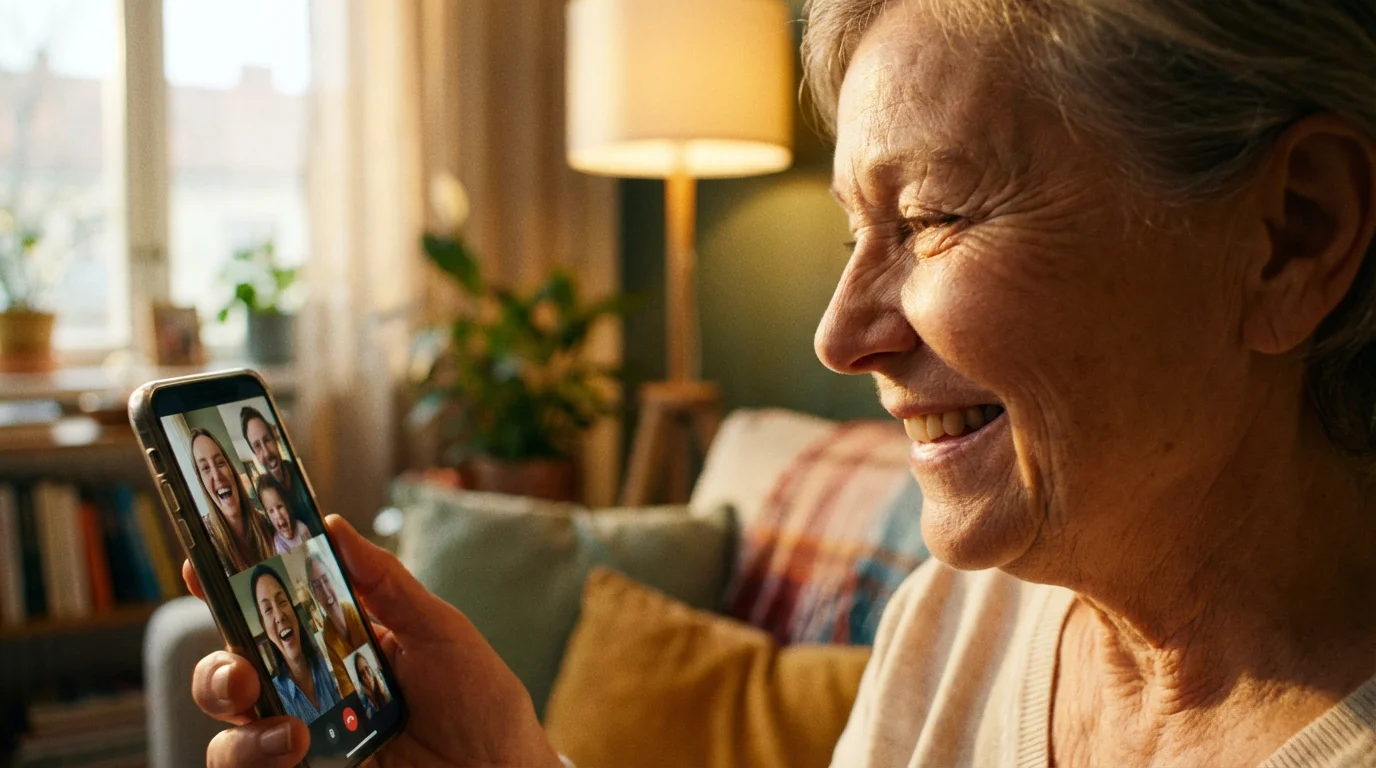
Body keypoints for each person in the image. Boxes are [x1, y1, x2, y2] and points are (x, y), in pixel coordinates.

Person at [188, 0, 1376, 765]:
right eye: (853, 226)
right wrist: (504, 755)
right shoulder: (960, 621)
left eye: (931, 214)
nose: (837, 334)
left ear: (1291, 235)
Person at [250, 565, 341, 726]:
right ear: (264, 627)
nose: (279, 616)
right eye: (268, 609)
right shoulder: (275, 696)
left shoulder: (328, 659)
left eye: (282, 602)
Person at [190, 428, 274, 574]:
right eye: (205, 468)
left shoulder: (267, 522)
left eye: (220, 463)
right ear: (201, 483)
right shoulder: (203, 539)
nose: (217, 476)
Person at [304, 551, 370, 698]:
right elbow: (346, 689)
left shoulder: (354, 610)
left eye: (326, 580)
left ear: (333, 579)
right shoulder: (328, 634)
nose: (326, 592)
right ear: (314, 596)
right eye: (317, 586)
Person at [240, 407, 315, 531]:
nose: (266, 452)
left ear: (275, 440)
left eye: (267, 440)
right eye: (257, 446)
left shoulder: (302, 471)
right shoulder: (260, 492)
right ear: (255, 455)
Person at [257, 474, 310, 555]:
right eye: (271, 511)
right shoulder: (278, 544)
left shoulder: (301, 528)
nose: (278, 515)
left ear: (287, 504)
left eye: (280, 506)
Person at [353, 652, 392, 721]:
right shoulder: (363, 702)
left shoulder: (383, 681)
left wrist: (383, 693)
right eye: (362, 673)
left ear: (370, 669)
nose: (367, 676)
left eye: (367, 669)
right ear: (361, 680)